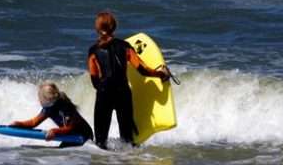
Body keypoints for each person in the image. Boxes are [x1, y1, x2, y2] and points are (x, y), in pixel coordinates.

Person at [88, 11, 170, 149]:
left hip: (104, 95)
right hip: (122, 94)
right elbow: (142, 69)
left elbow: (94, 79)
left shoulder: (93, 51)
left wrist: (104, 90)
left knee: (100, 143)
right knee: (128, 141)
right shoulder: (124, 46)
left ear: (97, 28)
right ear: (114, 27)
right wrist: (160, 74)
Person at [10, 82, 94, 148]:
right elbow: (33, 122)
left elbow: (70, 128)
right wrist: (19, 124)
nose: (38, 100)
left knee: (61, 153)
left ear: (47, 99)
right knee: (60, 152)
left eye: (39, 98)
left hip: (84, 136)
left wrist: (54, 131)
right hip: (72, 135)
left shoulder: (65, 107)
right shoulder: (49, 108)